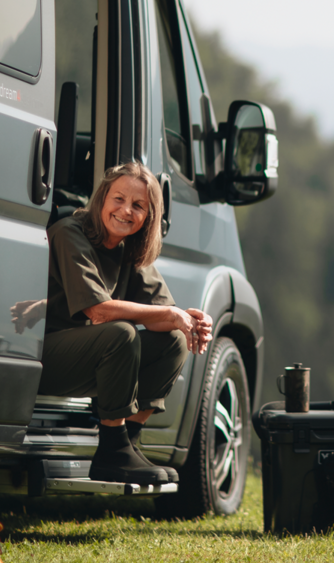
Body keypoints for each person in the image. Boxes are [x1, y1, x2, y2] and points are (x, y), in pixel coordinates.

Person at [36, 162, 213, 483]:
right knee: (121, 333)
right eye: (118, 199)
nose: (126, 210)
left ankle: (125, 444)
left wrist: (191, 320)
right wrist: (171, 315)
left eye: (138, 205)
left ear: (149, 217)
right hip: (45, 359)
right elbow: (98, 312)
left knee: (173, 340)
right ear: (102, 198)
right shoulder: (68, 232)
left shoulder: (128, 248)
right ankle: (113, 451)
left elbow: (165, 316)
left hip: (95, 361)